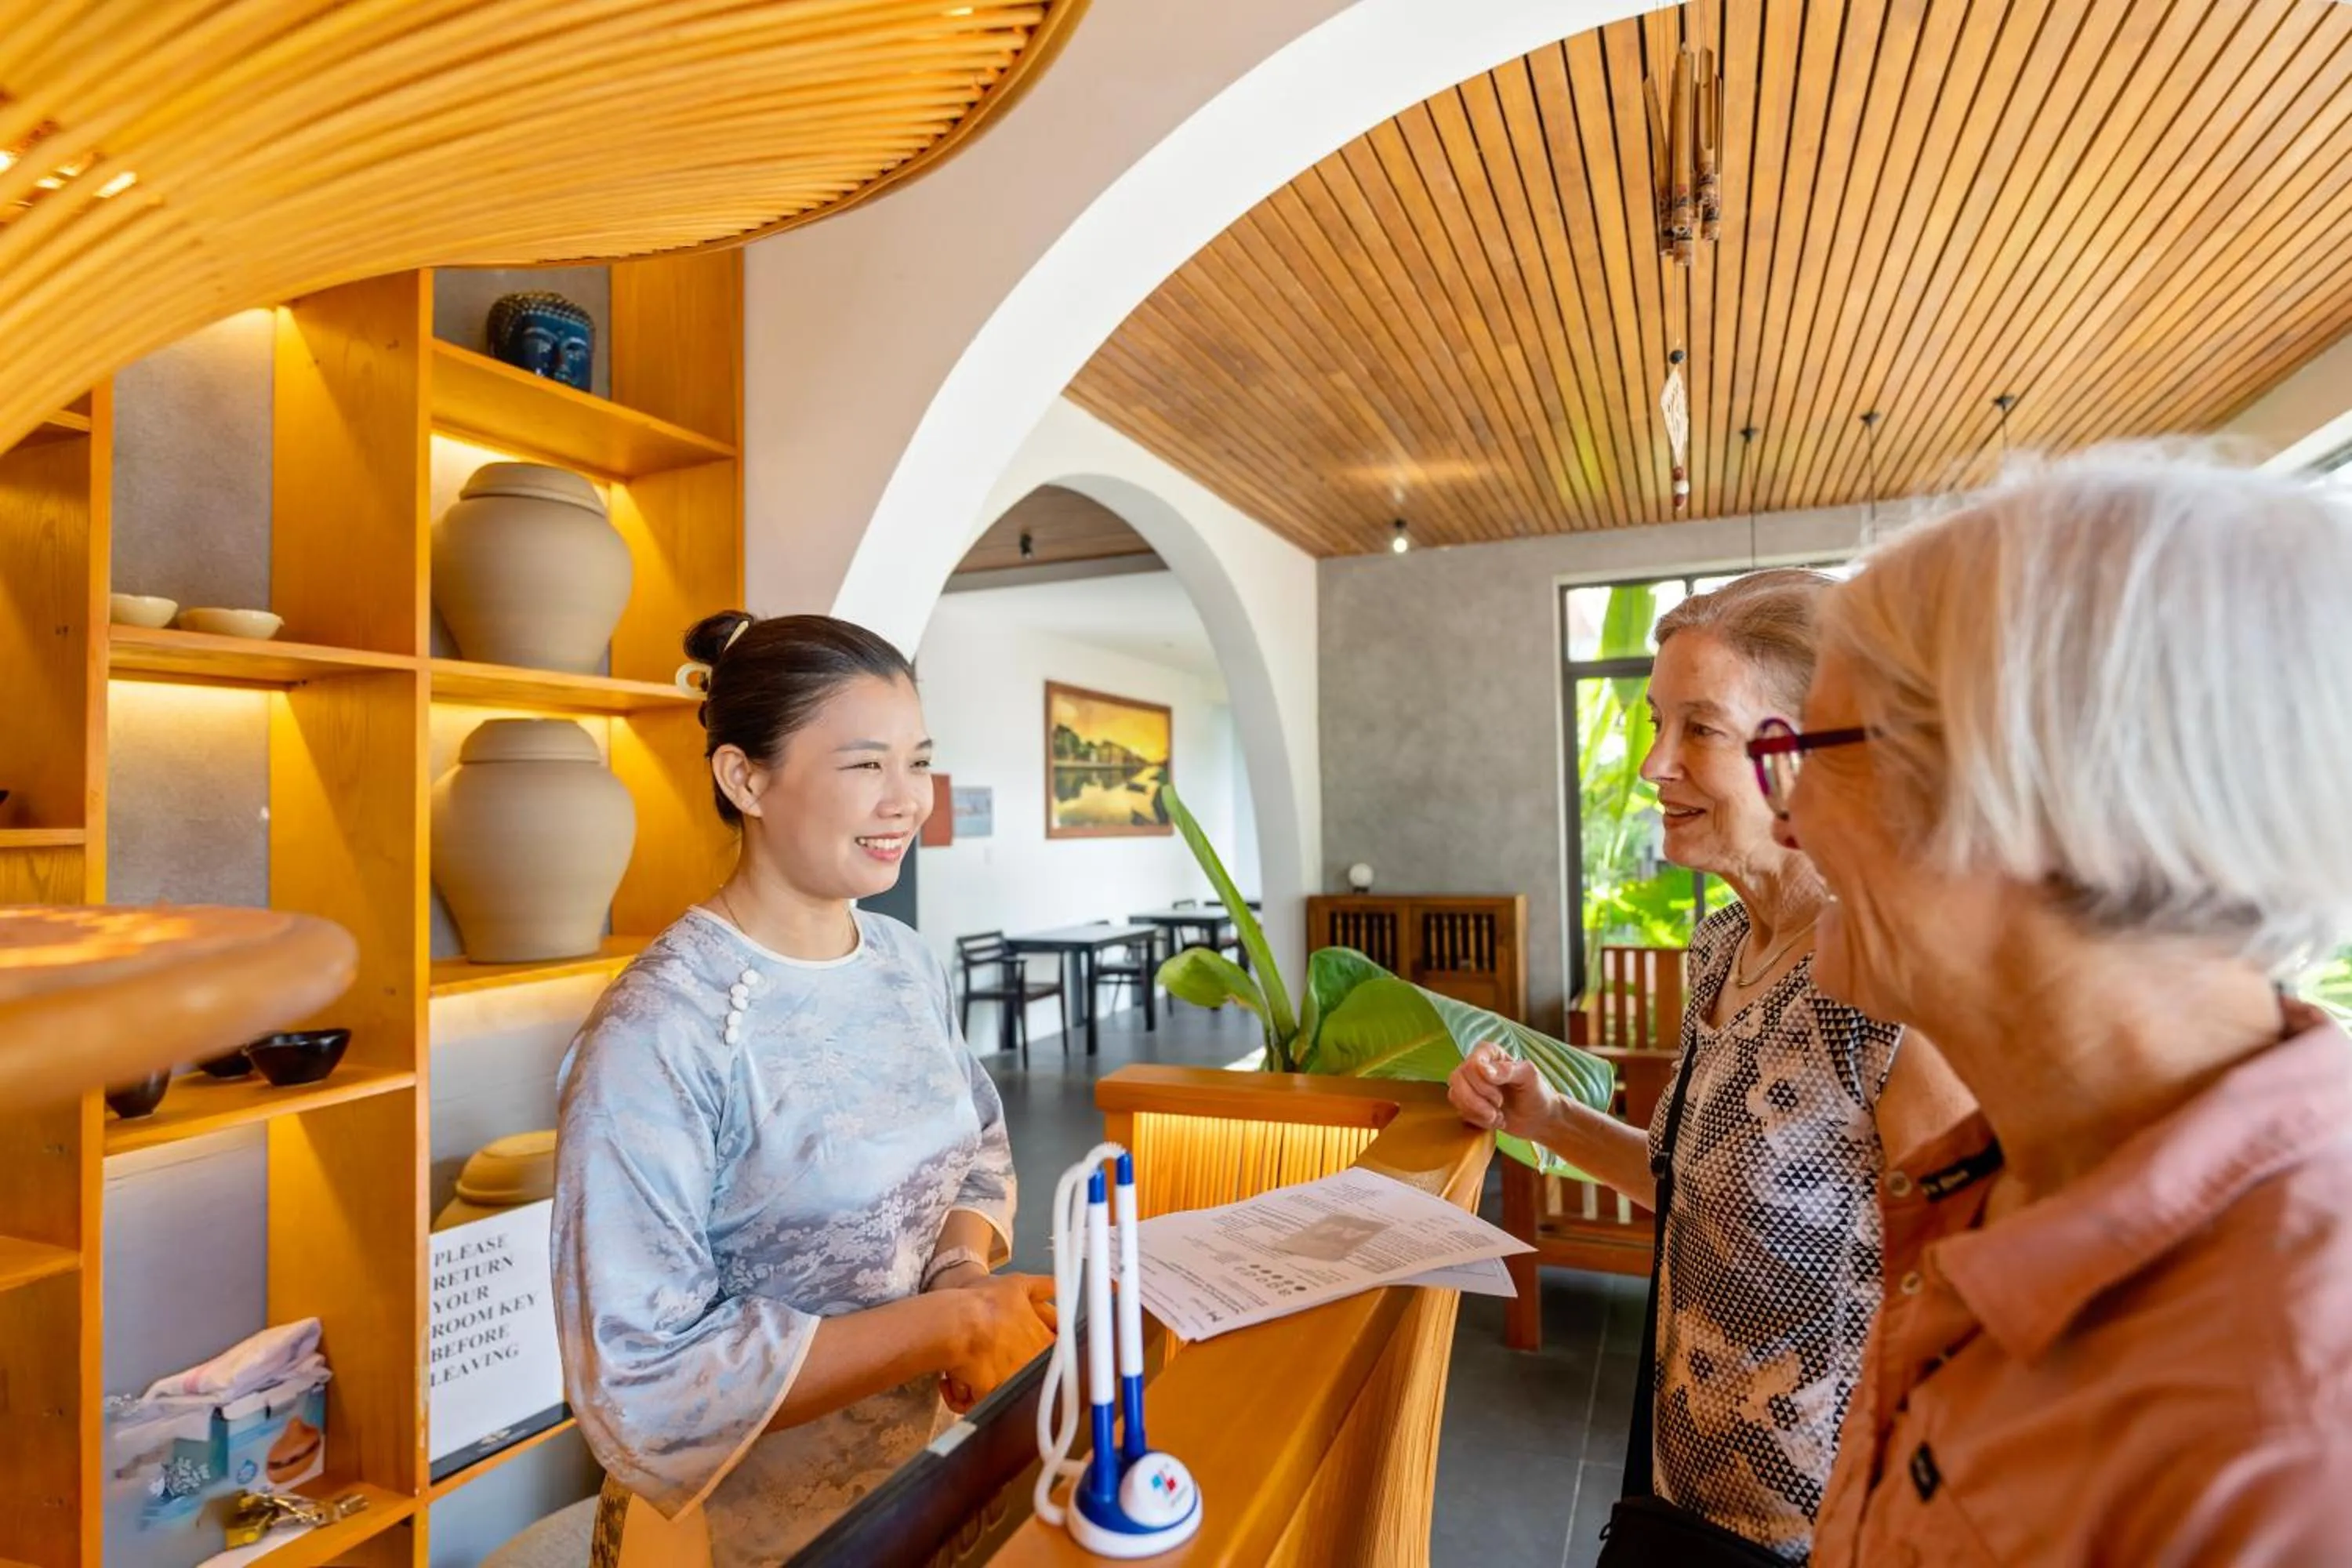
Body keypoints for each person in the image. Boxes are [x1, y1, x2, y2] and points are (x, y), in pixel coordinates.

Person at [1776, 452, 2352, 1564]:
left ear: (2030, 792)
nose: (1786, 816)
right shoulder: (1998, 1183)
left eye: (1808, 749)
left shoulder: (2289, 1444)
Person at [1450, 570, 1969, 1563]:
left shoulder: (1894, 987)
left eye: (1699, 729)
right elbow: (1700, 1189)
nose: (1652, 763)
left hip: (1815, 1534)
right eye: (1657, 722)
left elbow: (1984, 1313)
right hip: (1677, 1494)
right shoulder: (1725, 948)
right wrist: (1545, 1115)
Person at [552, 612, 1055, 1568]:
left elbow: (979, 1155)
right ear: (744, 778)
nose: (908, 800)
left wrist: (959, 1275)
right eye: (867, 765)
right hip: (738, 1533)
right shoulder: (659, 1028)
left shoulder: (904, 961)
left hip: (932, 1481)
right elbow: (642, 1375)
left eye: (919, 760)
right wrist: (948, 1324)